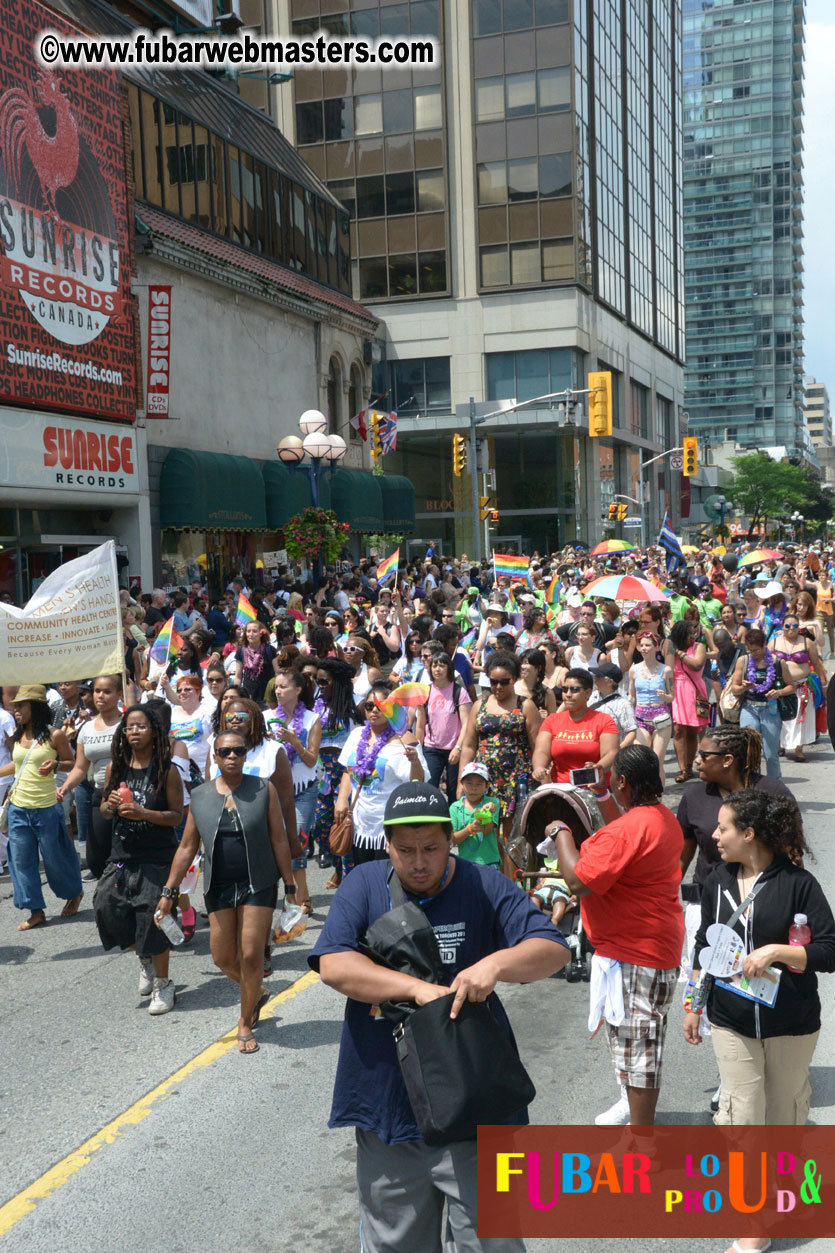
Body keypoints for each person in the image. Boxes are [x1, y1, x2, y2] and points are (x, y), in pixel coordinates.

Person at [309, 781, 568, 1253]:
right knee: (394, 1244)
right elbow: (333, 964)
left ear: (452, 838)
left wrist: (493, 965)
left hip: (477, 1101)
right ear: (386, 843)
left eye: (431, 847)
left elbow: (551, 948)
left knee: (494, 1244)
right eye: (404, 850)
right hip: (388, 1106)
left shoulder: (483, 883)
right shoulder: (363, 885)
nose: (419, 861)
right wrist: (415, 989)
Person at [684, 790, 835, 1253]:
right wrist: (693, 1004)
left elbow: (829, 950)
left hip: (791, 1022)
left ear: (748, 834)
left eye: (724, 828)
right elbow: (704, 950)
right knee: (743, 1118)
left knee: (785, 1117)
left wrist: (778, 951)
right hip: (731, 1020)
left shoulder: (798, 884)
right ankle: (755, 1227)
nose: (714, 835)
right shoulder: (717, 882)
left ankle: (786, 1193)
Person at [555, 745, 685, 1127]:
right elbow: (623, 834)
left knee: (641, 1052)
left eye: (612, 776)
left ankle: (643, 1144)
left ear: (624, 781)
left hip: (637, 953)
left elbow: (578, 880)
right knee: (631, 1045)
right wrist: (602, 796)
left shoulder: (634, 828)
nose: (608, 778)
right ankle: (633, 1116)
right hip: (646, 947)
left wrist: (562, 833)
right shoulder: (657, 817)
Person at [157, 730, 296, 1053]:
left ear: (245, 755)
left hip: (258, 881)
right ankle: (256, 991)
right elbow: (187, 846)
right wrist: (169, 891)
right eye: (225, 752)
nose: (232, 756)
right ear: (215, 757)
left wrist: (290, 884)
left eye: (238, 751)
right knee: (221, 957)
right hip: (218, 883)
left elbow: (278, 838)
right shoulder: (202, 795)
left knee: (250, 954)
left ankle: (245, 1021)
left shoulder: (263, 789)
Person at [94, 704, 183, 1015]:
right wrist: (111, 804)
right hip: (122, 855)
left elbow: (175, 817)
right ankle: (144, 958)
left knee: (152, 919)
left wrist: (145, 813)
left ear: (154, 731)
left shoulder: (167, 771)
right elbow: (105, 810)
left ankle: (163, 984)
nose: (134, 732)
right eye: (129, 727)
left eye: (141, 726)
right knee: (107, 909)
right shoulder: (115, 769)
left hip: (157, 857)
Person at [1, 685, 82, 930]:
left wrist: (56, 764)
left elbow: (72, 763)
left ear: (34, 708)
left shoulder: (54, 735)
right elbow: (18, 766)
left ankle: (73, 892)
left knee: (55, 858)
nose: (16, 711)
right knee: (21, 861)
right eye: (14, 707)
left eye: (21, 706)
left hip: (46, 808)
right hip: (18, 808)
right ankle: (36, 910)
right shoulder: (16, 735)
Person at [334, 680, 427, 866]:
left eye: (380, 706)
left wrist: (415, 761)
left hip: (389, 823)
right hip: (359, 822)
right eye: (369, 706)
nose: (374, 710)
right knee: (363, 875)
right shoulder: (356, 735)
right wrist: (342, 799)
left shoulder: (406, 740)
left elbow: (417, 781)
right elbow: (348, 771)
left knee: (386, 877)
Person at [457, 652, 540, 842]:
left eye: (504, 681)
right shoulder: (480, 705)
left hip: (516, 778)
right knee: (486, 831)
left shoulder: (526, 706)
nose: (498, 687)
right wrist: (461, 779)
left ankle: (511, 873)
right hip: (484, 779)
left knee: (512, 835)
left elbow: (537, 746)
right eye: (494, 682)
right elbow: (469, 745)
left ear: (514, 679)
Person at [56, 674, 124, 878]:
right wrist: (66, 787)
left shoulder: (128, 724)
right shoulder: (86, 728)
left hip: (128, 794)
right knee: (96, 860)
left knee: (127, 855)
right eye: (97, 691)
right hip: (100, 795)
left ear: (119, 694)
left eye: (107, 691)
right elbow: (80, 767)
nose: (100, 696)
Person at [271, 668, 321, 912]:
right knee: (277, 843)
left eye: (283, 687)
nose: (278, 691)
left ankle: (298, 899)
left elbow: (312, 760)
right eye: (276, 687)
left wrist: (294, 742)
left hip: (303, 790)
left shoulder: (312, 719)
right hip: (275, 791)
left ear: (298, 690)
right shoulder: (268, 716)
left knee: (297, 839)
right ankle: (301, 893)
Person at [309, 658, 362, 886]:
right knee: (320, 825)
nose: (319, 685)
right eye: (317, 681)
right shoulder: (316, 705)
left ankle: (348, 879)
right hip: (322, 771)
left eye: (324, 681)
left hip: (345, 771)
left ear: (338, 683)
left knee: (344, 824)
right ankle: (337, 867)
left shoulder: (355, 706)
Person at [531, 668, 619, 786]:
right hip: (561, 792)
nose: (568, 694)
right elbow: (541, 751)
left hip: (594, 789)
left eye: (574, 690)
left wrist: (598, 767)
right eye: (565, 689)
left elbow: (611, 753)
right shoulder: (552, 720)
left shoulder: (604, 720)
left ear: (588, 693)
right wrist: (539, 768)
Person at [729, 627, 794, 779]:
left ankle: (774, 787)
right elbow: (734, 689)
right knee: (751, 752)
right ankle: (753, 785)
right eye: (750, 650)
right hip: (749, 708)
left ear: (765, 644)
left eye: (756, 650)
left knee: (771, 754)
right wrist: (743, 687)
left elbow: (792, 686)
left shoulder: (778, 662)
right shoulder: (743, 661)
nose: (753, 654)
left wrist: (778, 693)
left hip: (770, 710)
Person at [771, 613, 826, 763]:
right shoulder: (774, 643)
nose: (791, 629)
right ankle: (780, 744)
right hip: (781, 686)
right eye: (788, 626)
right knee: (781, 717)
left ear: (799, 627)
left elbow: (817, 665)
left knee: (801, 718)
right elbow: (765, 663)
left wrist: (824, 685)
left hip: (802, 686)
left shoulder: (808, 643)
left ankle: (799, 748)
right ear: (782, 626)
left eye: (795, 626)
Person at [415, 651, 472, 795]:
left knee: (454, 789)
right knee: (429, 787)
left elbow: (466, 723)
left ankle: (453, 817)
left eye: (442, 665)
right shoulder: (425, 692)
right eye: (434, 665)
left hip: (454, 748)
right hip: (431, 748)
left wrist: (458, 748)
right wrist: (418, 748)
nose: (437, 669)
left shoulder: (459, 692)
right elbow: (420, 723)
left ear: (449, 668)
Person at [629, 631, 674, 785]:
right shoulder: (633, 670)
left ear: (656, 648)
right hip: (641, 717)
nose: (644, 648)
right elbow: (631, 696)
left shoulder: (666, 670)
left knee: (656, 761)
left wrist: (665, 697)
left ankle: (658, 797)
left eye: (648, 645)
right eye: (641, 645)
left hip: (660, 717)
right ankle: (644, 794)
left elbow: (671, 696)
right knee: (641, 761)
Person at [670, 619, 709, 783]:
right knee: (678, 730)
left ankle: (689, 765)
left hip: (695, 691)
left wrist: (679, 653)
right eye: (689, 634)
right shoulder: (669, 648)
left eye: (694, 633)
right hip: (677, 690)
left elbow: (697, 665)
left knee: (693, 731)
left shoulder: (699, 647)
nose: (693, 637)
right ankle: (683, 769)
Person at [449, 761, 501, 870]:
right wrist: (470, 829)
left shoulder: (493, 803)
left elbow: (487, 830)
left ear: (487, 786)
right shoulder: (455, 807)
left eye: (479, 784)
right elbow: (452, 839)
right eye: (469, 783)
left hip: (489, 862)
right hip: (465, 863)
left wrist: (489, 814)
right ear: (461, 784)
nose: (474, 788)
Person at [589, 661, 637, 746]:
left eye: (598, 676)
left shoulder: (623, 704)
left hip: (612, 751)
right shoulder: (592, 696)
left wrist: (617, 750)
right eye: (595, 676)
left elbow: (631, 732)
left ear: (610, 682)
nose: (594, 679)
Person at [234, 621, 279, 704]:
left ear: (261, 633)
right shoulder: (241, 651)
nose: (251, 634)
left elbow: (277, 673)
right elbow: (238, 676)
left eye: (254, 631)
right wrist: (236, 693)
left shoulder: (270, 650)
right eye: (248, 631)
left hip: (267, 695)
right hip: (248, 694)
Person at [516, 648, 558, 719]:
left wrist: (545, 718)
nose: (522, 666)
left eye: (526, 663)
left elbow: (554, 721)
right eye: (521, 663)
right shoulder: (514, 688)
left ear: (539, 667)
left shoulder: (547, 693)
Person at [344, 634, 381, 705]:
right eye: (345, 649)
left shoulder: (371, 673)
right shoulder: (341, 672)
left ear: (362, 653)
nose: (348, 652)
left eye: (352, 649)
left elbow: (382, 696)